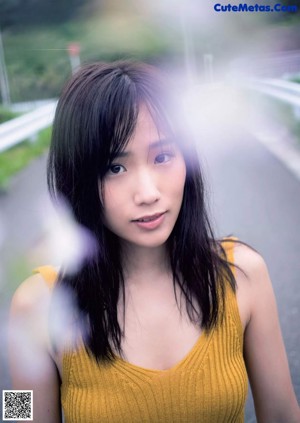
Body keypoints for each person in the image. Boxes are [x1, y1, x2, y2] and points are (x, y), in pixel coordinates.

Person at [8, 60, 300, 423]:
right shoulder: (33, 305)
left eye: (163, 156)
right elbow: (17, 415)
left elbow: (284, 413)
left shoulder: (244, 275)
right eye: (116, 167)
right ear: (78, 177)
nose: (148, 193)